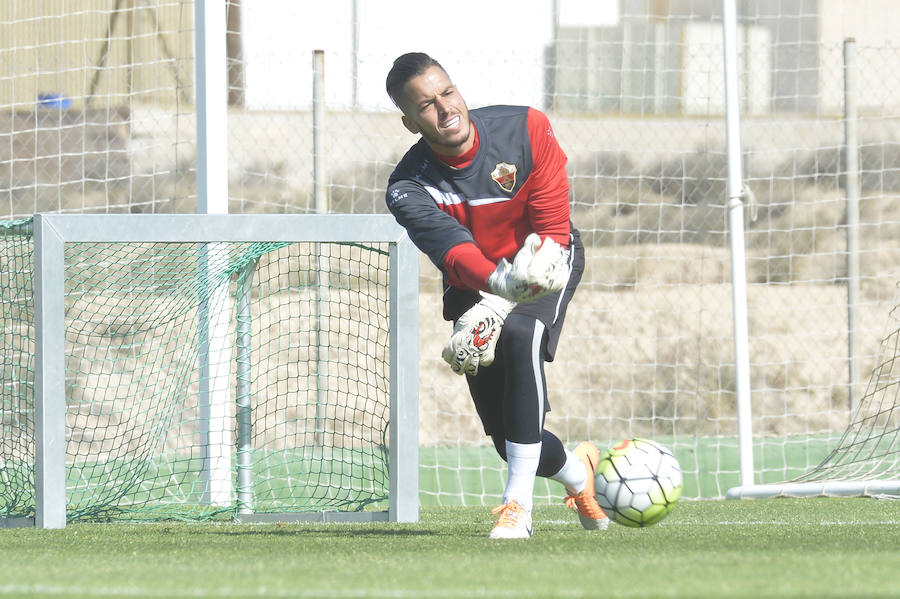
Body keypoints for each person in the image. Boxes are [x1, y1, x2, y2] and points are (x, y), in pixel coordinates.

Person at [384, 52, 608, 539]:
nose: (445, 109)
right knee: (512, 443)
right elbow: (455, 254)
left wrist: (507, 303)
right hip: (478, 280)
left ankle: (517, 508)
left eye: (447, 92)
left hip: (547, 260)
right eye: (426, 105)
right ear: (410, 122)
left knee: (523, 332)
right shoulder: (407, 187)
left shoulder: (526, 128)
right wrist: (494, 293)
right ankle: (578, 471)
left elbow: (552, 232)